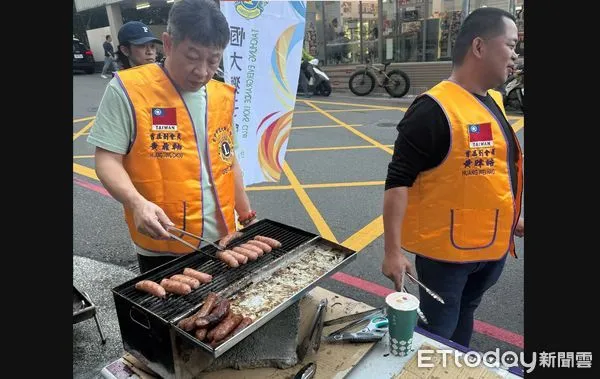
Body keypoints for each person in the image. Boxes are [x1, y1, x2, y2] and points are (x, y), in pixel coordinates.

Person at [381, 7, 524, 348]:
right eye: (511, 45)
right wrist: (392, 252)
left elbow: (494, 172)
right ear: (479, 47)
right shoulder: (433, 108)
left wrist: (514, 217)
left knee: (464, 316)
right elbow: (397, 182)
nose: (516, 56)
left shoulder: (494, 102)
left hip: (489, 249)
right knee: (435, 335)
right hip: (446, 258)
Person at [87, 0, 257, 274]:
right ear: (167, 44)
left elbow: (228, 160)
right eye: (192, 57)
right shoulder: (128, 90)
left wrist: (246, 216)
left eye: (213, 60)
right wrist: (136, 202)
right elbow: (107, 159)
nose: (202, 71)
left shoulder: (220, 95)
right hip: (163, 243)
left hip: (223, 239)